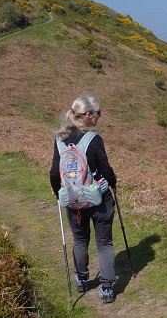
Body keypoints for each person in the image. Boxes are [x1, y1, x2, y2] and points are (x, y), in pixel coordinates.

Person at [50, 94, 119, 304]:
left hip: (74, 201)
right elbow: (105, 169)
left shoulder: (61, 139)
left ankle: (81, 279)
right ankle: (106, 288)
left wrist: (58, 191)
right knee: (104, 243)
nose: (99, 116)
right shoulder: (93, 139)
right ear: (88, 115)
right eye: (98, 112)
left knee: (80, 240)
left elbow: (54, 172)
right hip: (99, 199)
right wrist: (113, 182)